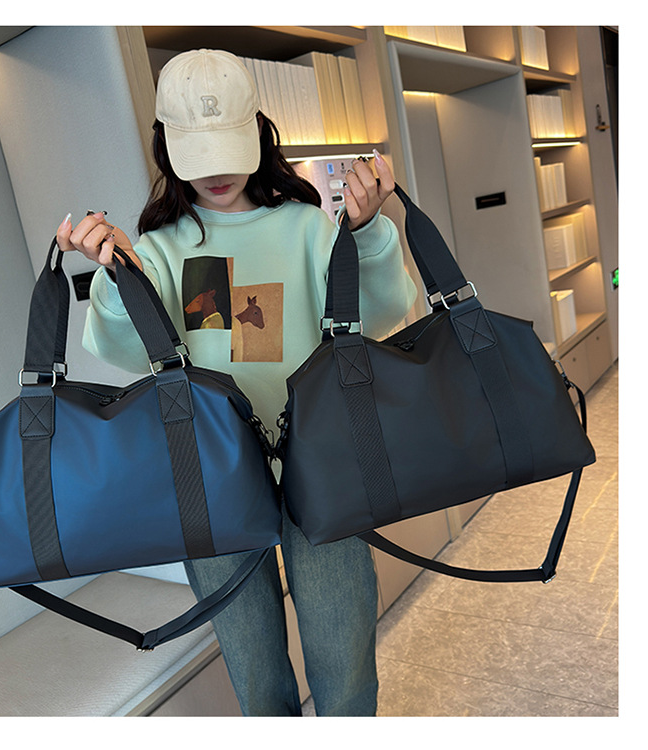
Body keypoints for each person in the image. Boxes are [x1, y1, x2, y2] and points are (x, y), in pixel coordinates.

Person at [56, 48, 417, 716]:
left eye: (228, 148)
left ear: (257, 133)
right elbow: (128, 352)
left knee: (345, 669)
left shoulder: (306, 226)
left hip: (321, 464)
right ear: (166, 148)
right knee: (256, 678)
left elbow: (381, 314)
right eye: (198, 154)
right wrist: (118, 275)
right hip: (211, 475)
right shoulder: (159, 248)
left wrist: (367, 232)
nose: (217, 172)